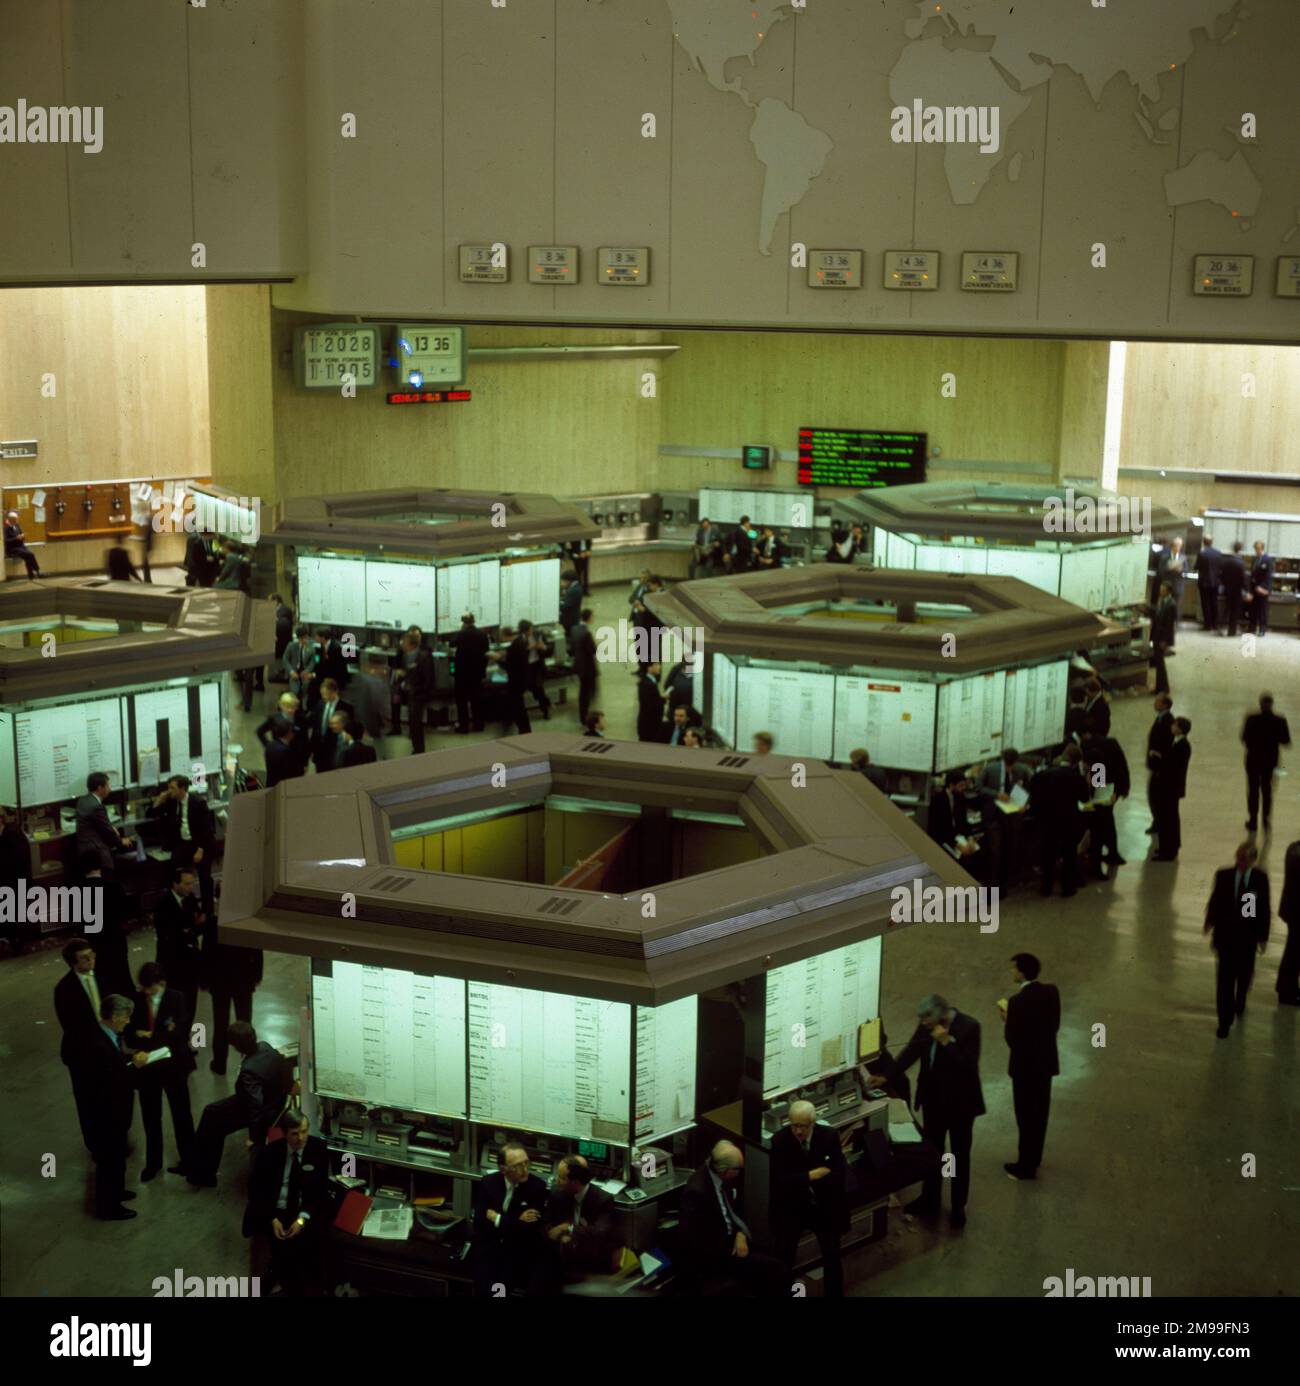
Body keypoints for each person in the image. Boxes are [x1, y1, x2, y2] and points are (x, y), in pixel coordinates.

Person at [868, 995, 984, 1229]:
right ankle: (930, 1199)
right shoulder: (926, 1026)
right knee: (934, 1152)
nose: (923, 1023)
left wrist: (947, 1042)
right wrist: (887, 1076)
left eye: (926, 1018)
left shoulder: (969, 1027)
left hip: (960, 1107)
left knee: (958, 1157)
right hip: (934, 1104)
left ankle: (958, 1206)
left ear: (942, 1012)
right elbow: (911, 1051)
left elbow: (967, 1067)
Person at [677, 1141, 786, 1296]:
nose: (740, 1173)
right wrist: (731, 1248)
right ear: (726, 1171)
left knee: (772, 1259)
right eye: (738, 1169)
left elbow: (734, 1211)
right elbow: (694, 1239)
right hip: (716, 1254)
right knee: (776, 1270)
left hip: (733, 1240)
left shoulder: (722, 1180)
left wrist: (740, 1234)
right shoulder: (697, 1192)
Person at [189, 1022, 291, 1187]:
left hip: (260, 1109)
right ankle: (201, 1169)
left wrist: (254, 1138)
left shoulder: (248, 1070)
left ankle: (202, 1173)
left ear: (235, 1046)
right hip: (273, 1101)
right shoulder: (265, 1046)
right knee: (212, 1113)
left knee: (211, 1117)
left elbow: (255, 1107)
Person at [243, 1107, 329, 1296]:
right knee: (280, 1249)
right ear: (284, 1133)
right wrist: (272, 1219)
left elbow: (319, 1192)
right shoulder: (269, 1153)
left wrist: (302, 1219)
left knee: (295, 1250)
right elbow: (256, 1191)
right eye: (295, 1134)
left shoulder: (318, 1150)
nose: (301, 1138)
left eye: (305, 1131)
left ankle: (284, 1279)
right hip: (274, 1210)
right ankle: (284, 1280)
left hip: (301, 1211)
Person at [769, 1100, 847, 1297]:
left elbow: (838, 1172)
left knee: (832, 1256)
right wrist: (810, 1176)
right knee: (785, 1258)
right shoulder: (780, 1141)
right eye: (794, 1125)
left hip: (822, 1206)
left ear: (813, 1123)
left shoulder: (828, 1136)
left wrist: (798, 1179)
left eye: (802, 1126)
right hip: (794, 1207)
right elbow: (778, 1181)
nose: (798, 1131)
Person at [127, 961, 196, 1180]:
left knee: (181, 1114)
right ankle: (153, 1162)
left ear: (162, 983)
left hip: (174, 1067)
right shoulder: (137, 1000)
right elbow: (129, 1033)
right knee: (150, 1117)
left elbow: (180, 1034)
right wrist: (155, 1035)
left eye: (151, 988)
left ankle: (189, 1160)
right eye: (144, 988)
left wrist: (148, 1036)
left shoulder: (177, 998)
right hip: (148, 1069)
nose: (146, 992)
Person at [83, 993, 148, 1219]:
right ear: (114, 1016)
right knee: (109, 1159)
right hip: (107, 1114)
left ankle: (116, 1192)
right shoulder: (98, 1044)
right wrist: (135, 1067)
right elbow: (112, 1081)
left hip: (114, 1113)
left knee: (117, 1155)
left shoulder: (107, 1035)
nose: (128, 1022)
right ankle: (107, 1207)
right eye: (126, 1017)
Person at [999, 954, 1060, 1182]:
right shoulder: (1052, 992)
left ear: (1022, 972)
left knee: (1025, 1116)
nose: (1012, 973)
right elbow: (1054, 1025)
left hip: (1024, 1069)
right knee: (1040, 1114)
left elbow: (1013, 1039)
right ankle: (1035, 1157)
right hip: (1045, 1065)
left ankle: (1025, 1166)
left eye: (1014, 969)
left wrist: (1008, 1019)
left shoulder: (1016, 1002)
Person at [1204, 843, 1271, 1038]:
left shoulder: (1259, 879)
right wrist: (1209, 921)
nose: (1239, 862)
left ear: (1253, 860)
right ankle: (1224, 1021)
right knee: (1224, 980)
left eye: (1244, 859)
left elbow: (1262, 910)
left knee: (1244, 975)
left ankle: (1240, 998)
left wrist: (1262, 937)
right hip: (1225, 938)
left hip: (1247, 940)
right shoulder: (1224, 876)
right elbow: (1215, 900)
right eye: (1238, 857)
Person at [472, 1141, 550, 1296]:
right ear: (503, 1169)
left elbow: (529, 1230)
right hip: (489, 1248)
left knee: (499, 1291)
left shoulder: (537, 1187)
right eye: (517, 1166)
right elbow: (480, 1221)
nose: (525, 1170)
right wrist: (516, 1222)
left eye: (526, 1163)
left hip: (516, 1253)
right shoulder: (488, 1183)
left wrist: (498, 1219)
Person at [54, 937, 106, 1150]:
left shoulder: (103, 976)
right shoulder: (64, 989)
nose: (91, 960)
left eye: (92, 955)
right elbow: (72, 1028)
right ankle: (95, 1144)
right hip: (82, 1054)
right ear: (73, 963)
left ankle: (114, 1134)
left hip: (107, 1046)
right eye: (85, 958)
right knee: (87, 1101)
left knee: (110, 1095)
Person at [203, 916, 264, 1076]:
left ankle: (219, 1064)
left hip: (219, 980)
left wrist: (204, 980)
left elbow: (206, 951)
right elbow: (257, 948)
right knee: (244, 1022)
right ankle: (250, 1062)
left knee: (220, 1023)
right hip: (243, 978)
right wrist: (257, 974)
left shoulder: (214, 922)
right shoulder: (246, 918)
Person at [541, 1154, 616, 1282]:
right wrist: (561, 1237)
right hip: (560, 1259)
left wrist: (568, 1228)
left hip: (592, 1262)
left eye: (561, 1178)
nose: (557, 1180)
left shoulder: (603, 1200)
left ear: (575, 1182)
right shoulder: (557, 1193)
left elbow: (600, 1234)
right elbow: (546, 1223)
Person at [147, 774, 216, 911]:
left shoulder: (198, 803)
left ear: (182, 788)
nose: (169, 791)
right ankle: (177, 907)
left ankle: (208, 910)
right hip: (183, 844)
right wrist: (159, 800)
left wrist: (200, 850)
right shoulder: (171, 802)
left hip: (200, 844)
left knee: (204, 877)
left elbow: (208, 829)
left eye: (172, 788)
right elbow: (150, 814)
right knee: (173, 870)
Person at [1030, 747, 1089, 897]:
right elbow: (1085, 799)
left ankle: (1046, 887)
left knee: (1048, 854)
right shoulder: (1077, 778)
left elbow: (1034, 795)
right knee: (1069, 854)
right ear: (1075, 763)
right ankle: (1068, 888)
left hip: (1049, 821)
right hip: (1069, 822)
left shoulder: (1043, 775)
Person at [74, 849, 133, 999]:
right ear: (100, 866)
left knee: (101, 986)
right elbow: (125, 913)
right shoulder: (113, 887)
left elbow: (77, 921)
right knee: (122, 981)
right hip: (116, 943)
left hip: (94, 946)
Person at [153, 866, 207, 1024]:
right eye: (187, 884)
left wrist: (188, 930)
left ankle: (186, 1040)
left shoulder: (189, 899)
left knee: (190, 1004)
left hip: (191, 962)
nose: (191, 887)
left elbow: (199, 924)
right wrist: (189, 929)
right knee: (174, 1005)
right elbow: (169, 935)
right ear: (175, 884)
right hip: (172, 964)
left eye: (192, 883)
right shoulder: (163, 904)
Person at [1080, 730, 1129, 877]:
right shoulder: (1110, 744)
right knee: (1107, 825)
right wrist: (1121, 790)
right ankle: (1112, 853)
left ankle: (1097, 865)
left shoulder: (1096, 765)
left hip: (1100, 803)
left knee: (1098, 834)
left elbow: (1096, 791)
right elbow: (1122, 767)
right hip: (1109, 796)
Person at [1241, 692, 1290, 833]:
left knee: (1253, 790)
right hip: (1270, 761)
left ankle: (1253, 820)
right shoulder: (1280, 720)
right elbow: (1286, 741)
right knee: (1267, 790)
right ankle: (1265, 820)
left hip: (1253, 760)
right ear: (1272, 704)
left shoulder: (1251, 718)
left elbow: (1244, 738)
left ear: (1260, 703)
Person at [74, 771, 135, 877]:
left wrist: (110, 827)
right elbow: (107, 832)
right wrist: (121, 842)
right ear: (100, 788)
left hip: (84, 851)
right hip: (97, 853)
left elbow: (98, 824)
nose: (110, 789)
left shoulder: (83, 800)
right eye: (108, 785)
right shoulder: (96, 806)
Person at [1151, 717, 1191, 862]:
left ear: (1180, 729)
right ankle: (1166, 846)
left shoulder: (1183, 745)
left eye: (1174, 724)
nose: (1172, 726)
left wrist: (1159, 758)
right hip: (1169, 787)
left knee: (1168, 818)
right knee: (1167, 817)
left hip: (1170, 788)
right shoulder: (1177, 742)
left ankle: (1169, 850)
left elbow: (1172, 766)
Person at [0, 804, 32, 955]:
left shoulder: (10, 834)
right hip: (14, 881)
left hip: (15, 881)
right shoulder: (9, 831)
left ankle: (17, 943)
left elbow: (11, 861)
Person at [450, 613, 490, 733]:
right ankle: (479, 725)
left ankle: (464, 726)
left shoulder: (461, 634)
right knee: (476, 700)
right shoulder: (482, 634)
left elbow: (451, 643)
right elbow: (486, 652)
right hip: (477, 673)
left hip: (462, 673)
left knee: (462, 701)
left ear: (463, 622)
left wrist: (459, 631)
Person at [345, 651, 390, 754]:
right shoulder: (377, 683)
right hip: (371, 729)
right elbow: (374, 707)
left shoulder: (359, 679)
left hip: (365, 729)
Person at [928, 769, 978, 862]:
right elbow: (937, 829)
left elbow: (963, 821)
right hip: (943, 839)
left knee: (975, 854)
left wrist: (970, 838)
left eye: (964, 785)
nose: (963, 788)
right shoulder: (938, 800)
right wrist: (957, 844)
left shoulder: (960, 796)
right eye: (960, 786)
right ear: (951, 785)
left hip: (958, 835)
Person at [398, 631, 435, 751]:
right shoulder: (406, 656)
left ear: (411, 644)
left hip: (418, 695)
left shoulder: (424, 657)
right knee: (413, 722)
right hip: (411, 693)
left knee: (416, 723)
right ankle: (416, 746)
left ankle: (419, 748)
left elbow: (428, 678)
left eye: (404, 642)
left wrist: (420, 692)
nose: (402, 644)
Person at [1145, 693, 1175, 834]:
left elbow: (1166, 744)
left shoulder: (1168, 721)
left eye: (1157, 701)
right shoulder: (1160, 718)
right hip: (1156, 765)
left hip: (1160, 767)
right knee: (1153, 796)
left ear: (1165, 705)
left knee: (1156, 796)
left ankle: (1159, 822)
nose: (1154, 703)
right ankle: (1157, 821)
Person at [1275, 839, 1300, 1007]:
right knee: (1294, 951)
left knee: (1293, 949)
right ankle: (1286, 991)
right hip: (1298, 911)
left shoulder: (1294, 847)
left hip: (1292, 908)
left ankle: (1286, 986)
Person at [309, 678, 352, 773]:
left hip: (335, 751)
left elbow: (348, 730)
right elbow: (316, 728)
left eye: (326, 694)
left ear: (335, 691)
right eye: (322, 694)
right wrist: (312, 749)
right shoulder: (320, 704)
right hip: (319, 752)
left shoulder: (346, 707)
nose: (324, 697)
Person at [500, 623, 534, 734]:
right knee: (517, 706)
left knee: (518, 708)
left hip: (516, 682)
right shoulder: (519, 642)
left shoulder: (514, 646)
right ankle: (523, 730)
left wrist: (497, 659)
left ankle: (524, 731)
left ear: (505, 635)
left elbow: (508, 665)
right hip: (522, 679)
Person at [258, 692, 310, 763]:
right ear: (281, 706)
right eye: (287, 707)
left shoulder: (301, 719)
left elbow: (305, 741)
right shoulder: (274, 718)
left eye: (293, 707)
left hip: (296, 757)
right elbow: (260, 731)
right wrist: (269, 746)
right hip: (279, 755)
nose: (290, 710)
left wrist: (305, 762)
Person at [570, 608, 598, 727]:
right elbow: (592, 650)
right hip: (587, 668)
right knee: (585, 694)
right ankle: (584, 717)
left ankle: (585, 714)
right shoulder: (587, 633)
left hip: (578, 665)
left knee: (584, 691)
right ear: (589, 618)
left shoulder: (574, 629)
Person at [1150, 583, 1177, 694]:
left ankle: (1164, 688)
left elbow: (1169, 626)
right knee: (1158, 663)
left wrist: (1165, 641)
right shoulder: (1162, 601)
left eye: (1163, 590)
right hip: (1157, 636)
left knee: (1160, 664)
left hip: (1162, 638)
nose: (1160, 592)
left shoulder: (1171, 605)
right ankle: (1159, 687)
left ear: (1168, 592)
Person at [264, 715, 303, 787]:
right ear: (289, 733)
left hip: (270, 784)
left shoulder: (270, 745)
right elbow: (292, 773)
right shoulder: (286, 751)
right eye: (292, 731)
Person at [1158, 536, 1186, 635]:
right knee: (1165, 606)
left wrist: (1180, 569)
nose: (1178, 548)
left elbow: (1186, 570)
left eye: (1180, 546)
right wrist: (1169, 568)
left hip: (1178, 585)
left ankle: (1175, 626)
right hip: (1167, 586)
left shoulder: (1183, 557)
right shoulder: (1165, 557)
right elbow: (1160, 571)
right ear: (1172, 546)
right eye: (1177, 545)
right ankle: (1164, 625)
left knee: (1177, 607)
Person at [525, 622, 552, 722]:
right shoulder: (521, 639)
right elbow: (520, 651)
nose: (530, 632)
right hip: (527, 666)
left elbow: (548, 649)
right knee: (533, 687)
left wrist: (543, 647)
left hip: (538, 666)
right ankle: (546, 702)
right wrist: (529, 648)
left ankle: (545, 711)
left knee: (539, 688)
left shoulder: (538, 635)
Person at [1219, 542, 1248, 637]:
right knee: (1235, 611)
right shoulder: (1241, 563)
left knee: (1226, 609)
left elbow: (1221, 575)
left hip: (1227, 589)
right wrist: (1246, 590)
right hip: (1237, 590)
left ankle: (1222, 627)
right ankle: (1232, 631)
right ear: (1240, 550)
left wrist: (1225, 584)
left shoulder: (1226, 561)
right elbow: (1243, 578)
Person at [283, 626, 319, 702]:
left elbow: (314, 661)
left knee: (306, 689)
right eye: (301, 638)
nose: (303, 640)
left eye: (305, 637)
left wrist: (308, 670)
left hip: (306, 672)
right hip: (294, 672)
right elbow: (285, 659)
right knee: (295, 692)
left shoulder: (313, 645)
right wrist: (291, 672)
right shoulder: (291, 645)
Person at [1194, 535, 1220, 631]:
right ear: (1212, 542)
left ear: (1203, 542)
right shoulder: (1218, 553)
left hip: (1204, 582)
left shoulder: (1202, 553)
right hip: (1215, 582)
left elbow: (1196, 566)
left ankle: (1207, 625)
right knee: (1214, 603)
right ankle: (1215, 625)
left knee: (1205, 604)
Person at [4, 509, 41, 578]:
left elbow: (21, 534)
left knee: (28, 556)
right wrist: (16, 538)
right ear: (11, 520)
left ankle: (31, 575)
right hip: (13, 549)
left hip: (21, 547)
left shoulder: (17, 526)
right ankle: (37, 571)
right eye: (16, 519)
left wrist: (23, 536)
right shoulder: (6, 529)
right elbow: (6, 541)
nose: (17, 520)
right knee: (30, 554)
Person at [1248, 540, 1274, 636]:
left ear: (1261, 548)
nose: (1256, 551)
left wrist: (1266, 589)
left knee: (1262, 610)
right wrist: (1250, 590)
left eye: (1257, 549)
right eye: (1255, 549)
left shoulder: (1267, 560)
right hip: (1254, 588)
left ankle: (1262, 629)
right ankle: (1252, 626)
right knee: (1253, 609)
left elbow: (1268, 576)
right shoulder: (1255, 559)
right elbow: (1252, 575)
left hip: (1263, 589)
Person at [313, 627, 350, 691]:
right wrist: (315, 673)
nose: (315, 638)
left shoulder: (336, 648)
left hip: (335, 678)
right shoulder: (321, 646)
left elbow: (338, 668)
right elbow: (318, 661)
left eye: (317, 636)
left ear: (323, 638)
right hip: (325, 675)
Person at [636, 662, 664, 742]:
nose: (660, 667)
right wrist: (663, 699)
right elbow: (652, 705)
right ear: (649, 668)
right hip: (649, 725)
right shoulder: (648, 684)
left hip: (647, 723)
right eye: (657, 665)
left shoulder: (648, 681)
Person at [559, 568, 583, 647]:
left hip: (570, 619)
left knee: (570, 636)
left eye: (563, 581)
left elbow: (567, 606)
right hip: (572, 618)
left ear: (568, 581)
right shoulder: (575, 587)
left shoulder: (574, 590)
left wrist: (557, 605)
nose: (562, 583)